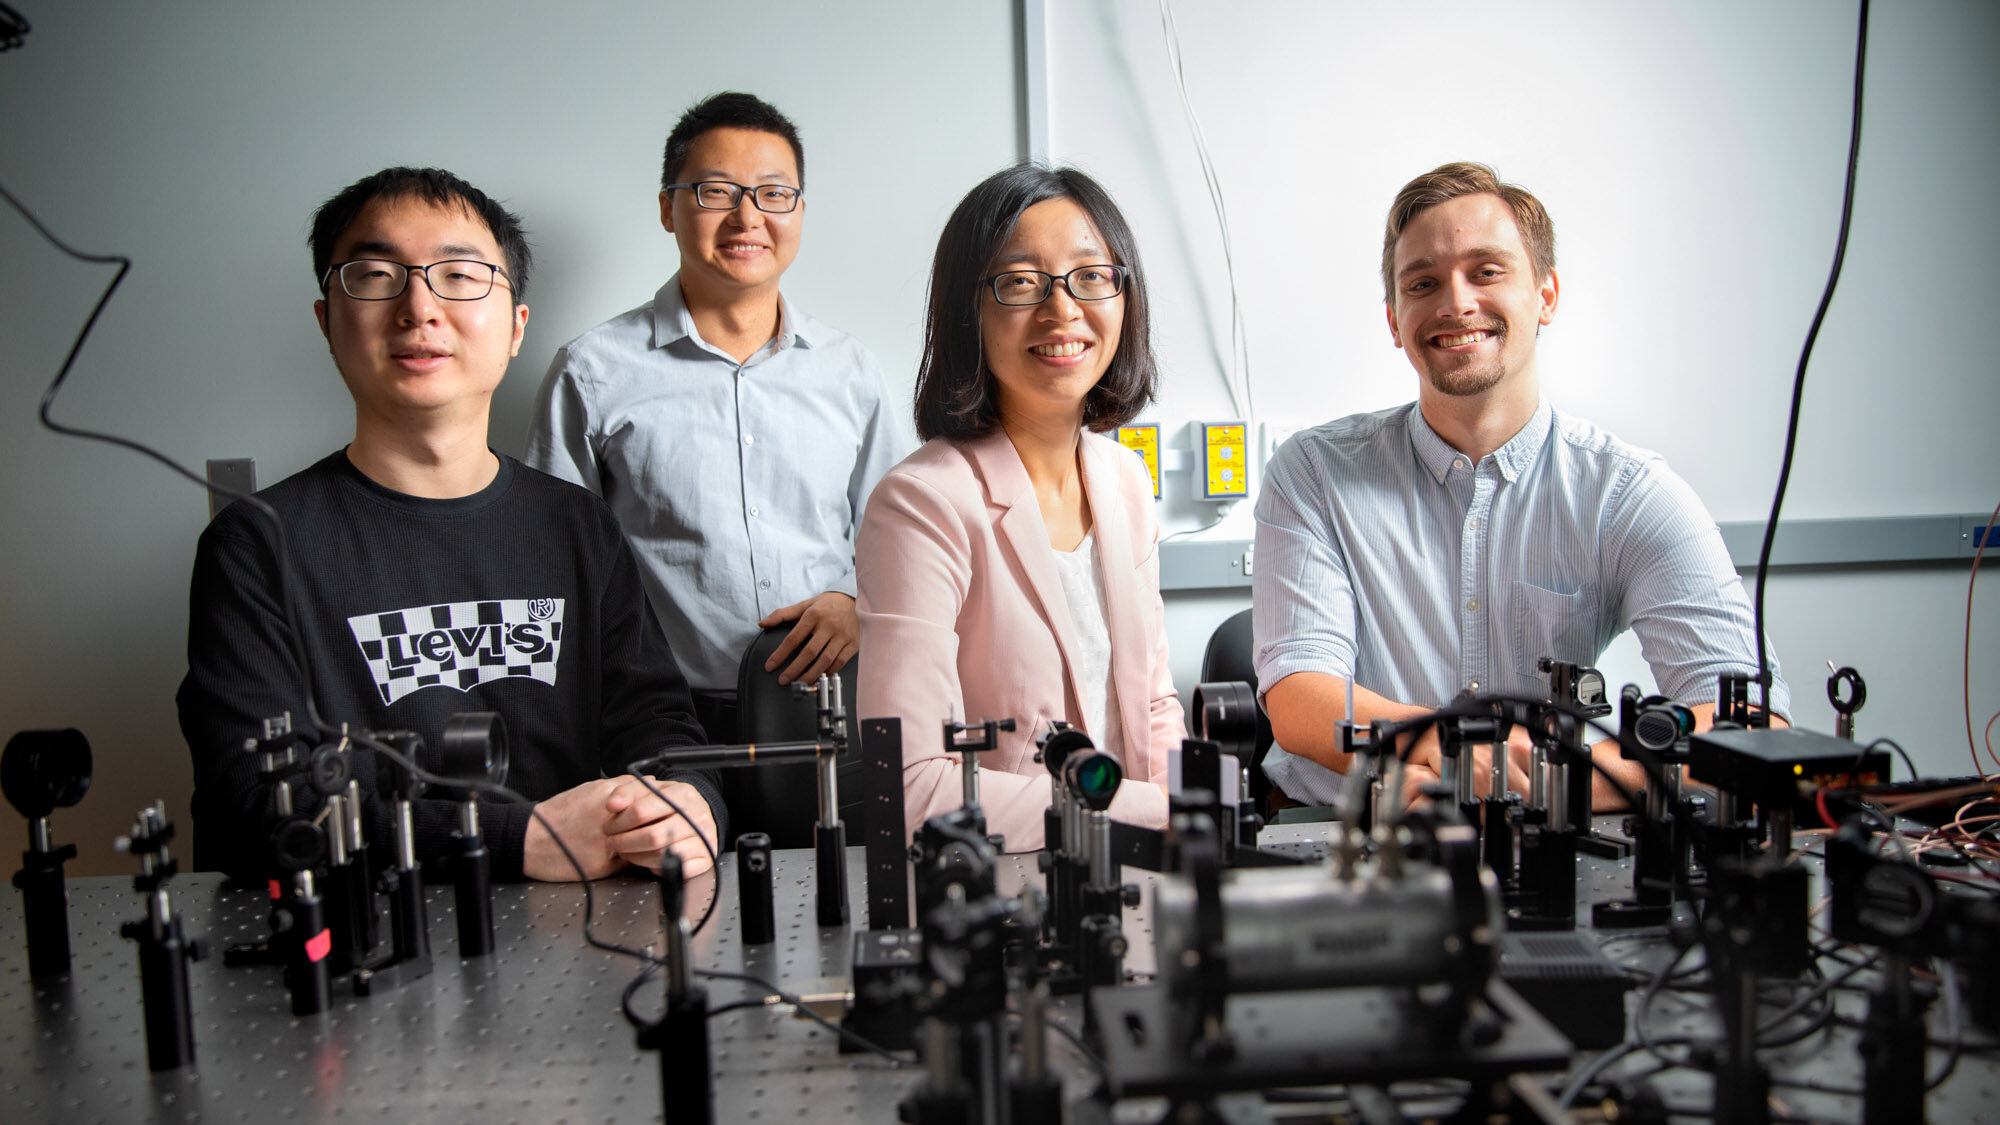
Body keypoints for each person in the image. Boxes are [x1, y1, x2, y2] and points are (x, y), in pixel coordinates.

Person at [180, 167, 724, 884]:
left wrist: (692, 803)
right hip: (358, 943)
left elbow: (658, 728)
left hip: (575, 934)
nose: (418, 306)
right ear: (326, 322)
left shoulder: (576, 524)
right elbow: (247, 805)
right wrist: (514, 837)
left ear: (515, 329)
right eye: (376, 274)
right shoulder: (255, 544)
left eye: (460, 275)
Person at [1254, 161, 1790, 810]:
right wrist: (1444, 748)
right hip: (1345, 841)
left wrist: (1542, 782)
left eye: (1487, 271)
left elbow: (1751, 725)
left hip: (1552, 841)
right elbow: (1300, 697)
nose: (1456, 302)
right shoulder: (1313, 474)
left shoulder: (1629, 494)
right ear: (1394, 320)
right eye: (1423, 281)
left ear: (1546, 295)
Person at [527, 92, 901, 744]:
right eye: (715, 191)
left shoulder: (851, 372)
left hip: (830, 706)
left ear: (800, 212)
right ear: (668, 208)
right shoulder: (593, 371)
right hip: (658, 718)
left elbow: (896, 533)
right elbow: (551, 566)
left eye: (773, 193)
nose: (747, 216)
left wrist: (854, 600)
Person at [857, 164, 1179, 849]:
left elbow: (1152, 706)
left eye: (1091, 275)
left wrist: (1197, 811)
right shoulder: (922, 504)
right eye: (1022, 281)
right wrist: (1149, 812)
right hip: (1006, 889)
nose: (1062, 309)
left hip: (1143, 873)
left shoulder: (1125, 479)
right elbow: (909, 787)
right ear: (967, 307)